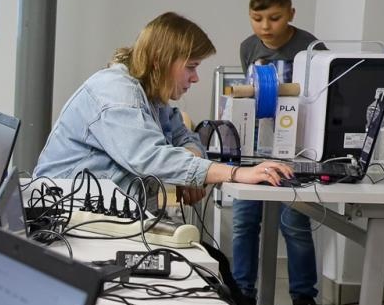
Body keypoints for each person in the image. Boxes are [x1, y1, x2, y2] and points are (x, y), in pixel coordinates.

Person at [33, 11, 291, 202]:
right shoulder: (116, 91)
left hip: (97, 210)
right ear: (160, 60)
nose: (195, 78)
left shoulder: (151, 95)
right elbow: (150, 158)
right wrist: (235, 174)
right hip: (67, 211)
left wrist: (191, 163)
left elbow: (184, 136)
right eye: (191, 67)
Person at [233, 0, 322, 305]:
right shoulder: (248, 47)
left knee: (295, 223)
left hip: (297, 149)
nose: (265, 27)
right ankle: (242, 295)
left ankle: (305, 299)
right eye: (257, 19)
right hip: (254, 149)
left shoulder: (311, 49)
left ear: (291, 14)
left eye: (274, 18)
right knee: (244, 221)